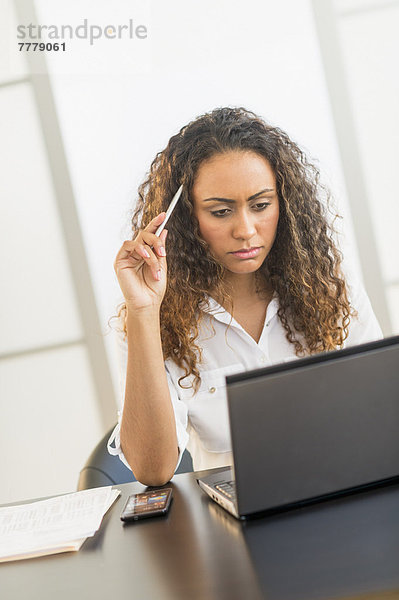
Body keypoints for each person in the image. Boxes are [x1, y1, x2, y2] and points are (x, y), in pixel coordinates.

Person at [107, 106, 382, 486]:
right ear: (185, 219)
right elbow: (153, 470)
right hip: (236, 526)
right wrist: (143, 311)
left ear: (284, 205)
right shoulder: (153, 318)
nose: (246, 230)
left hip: (346, 490)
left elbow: (382, 414)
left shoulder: (331, 288)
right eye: (221, 212)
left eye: (261, 205)